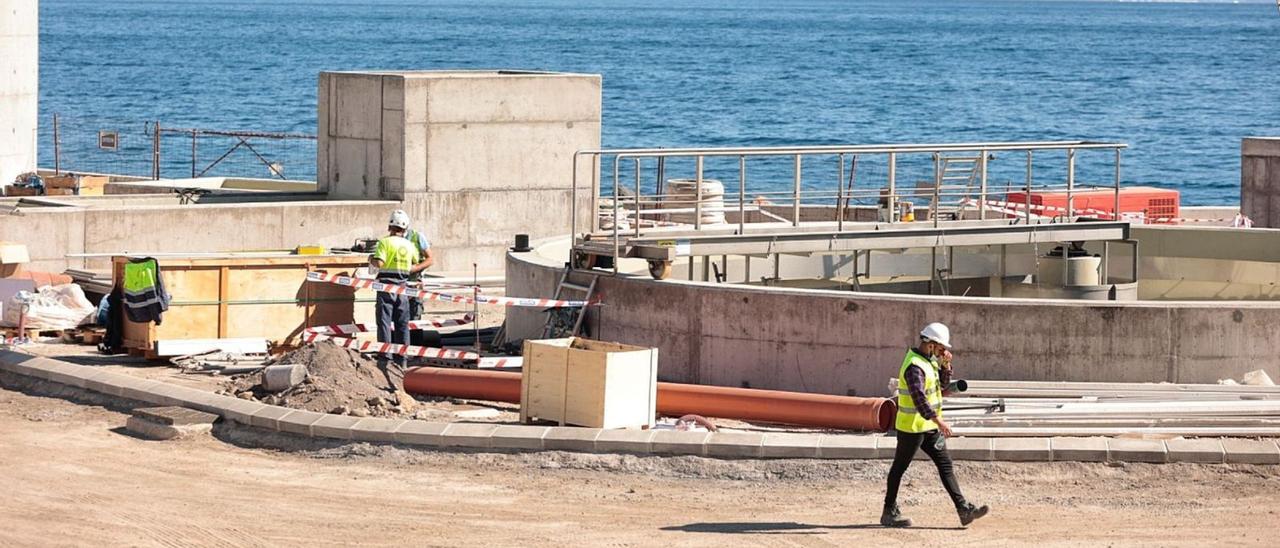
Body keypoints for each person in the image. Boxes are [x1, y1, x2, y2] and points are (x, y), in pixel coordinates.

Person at [881, 322, 990, 528]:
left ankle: (964, 510)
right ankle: (889, 511)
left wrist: (946, 366)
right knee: (899, 468)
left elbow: (941, 386)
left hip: (928, 427)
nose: (943, 351)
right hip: (912, 428)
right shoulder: (914, 366)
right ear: (930, 344)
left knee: (945, 465)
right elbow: (919, 398)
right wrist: (939, 421)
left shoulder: (928, 361)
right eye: (941, 348)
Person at [369, 210, 432, 404]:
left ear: (390, 226)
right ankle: (402, 358)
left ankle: (385, 356)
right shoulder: (409, 244)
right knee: (403, 324)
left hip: (386, 287)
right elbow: (414, 264)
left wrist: (371, 259)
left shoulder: (384, 243)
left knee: (384, 322)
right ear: (405, 228)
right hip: (403, 288)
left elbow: (379, 263)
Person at [389, 209, 434, 320]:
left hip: (413, 284)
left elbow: (430, 259)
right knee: (396, 320)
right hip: (396, 285)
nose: (395, 233)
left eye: (398, 230)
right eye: (393, 229)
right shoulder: (388, 240)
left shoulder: (417, 237)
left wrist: (415, 268)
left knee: (414, 319)